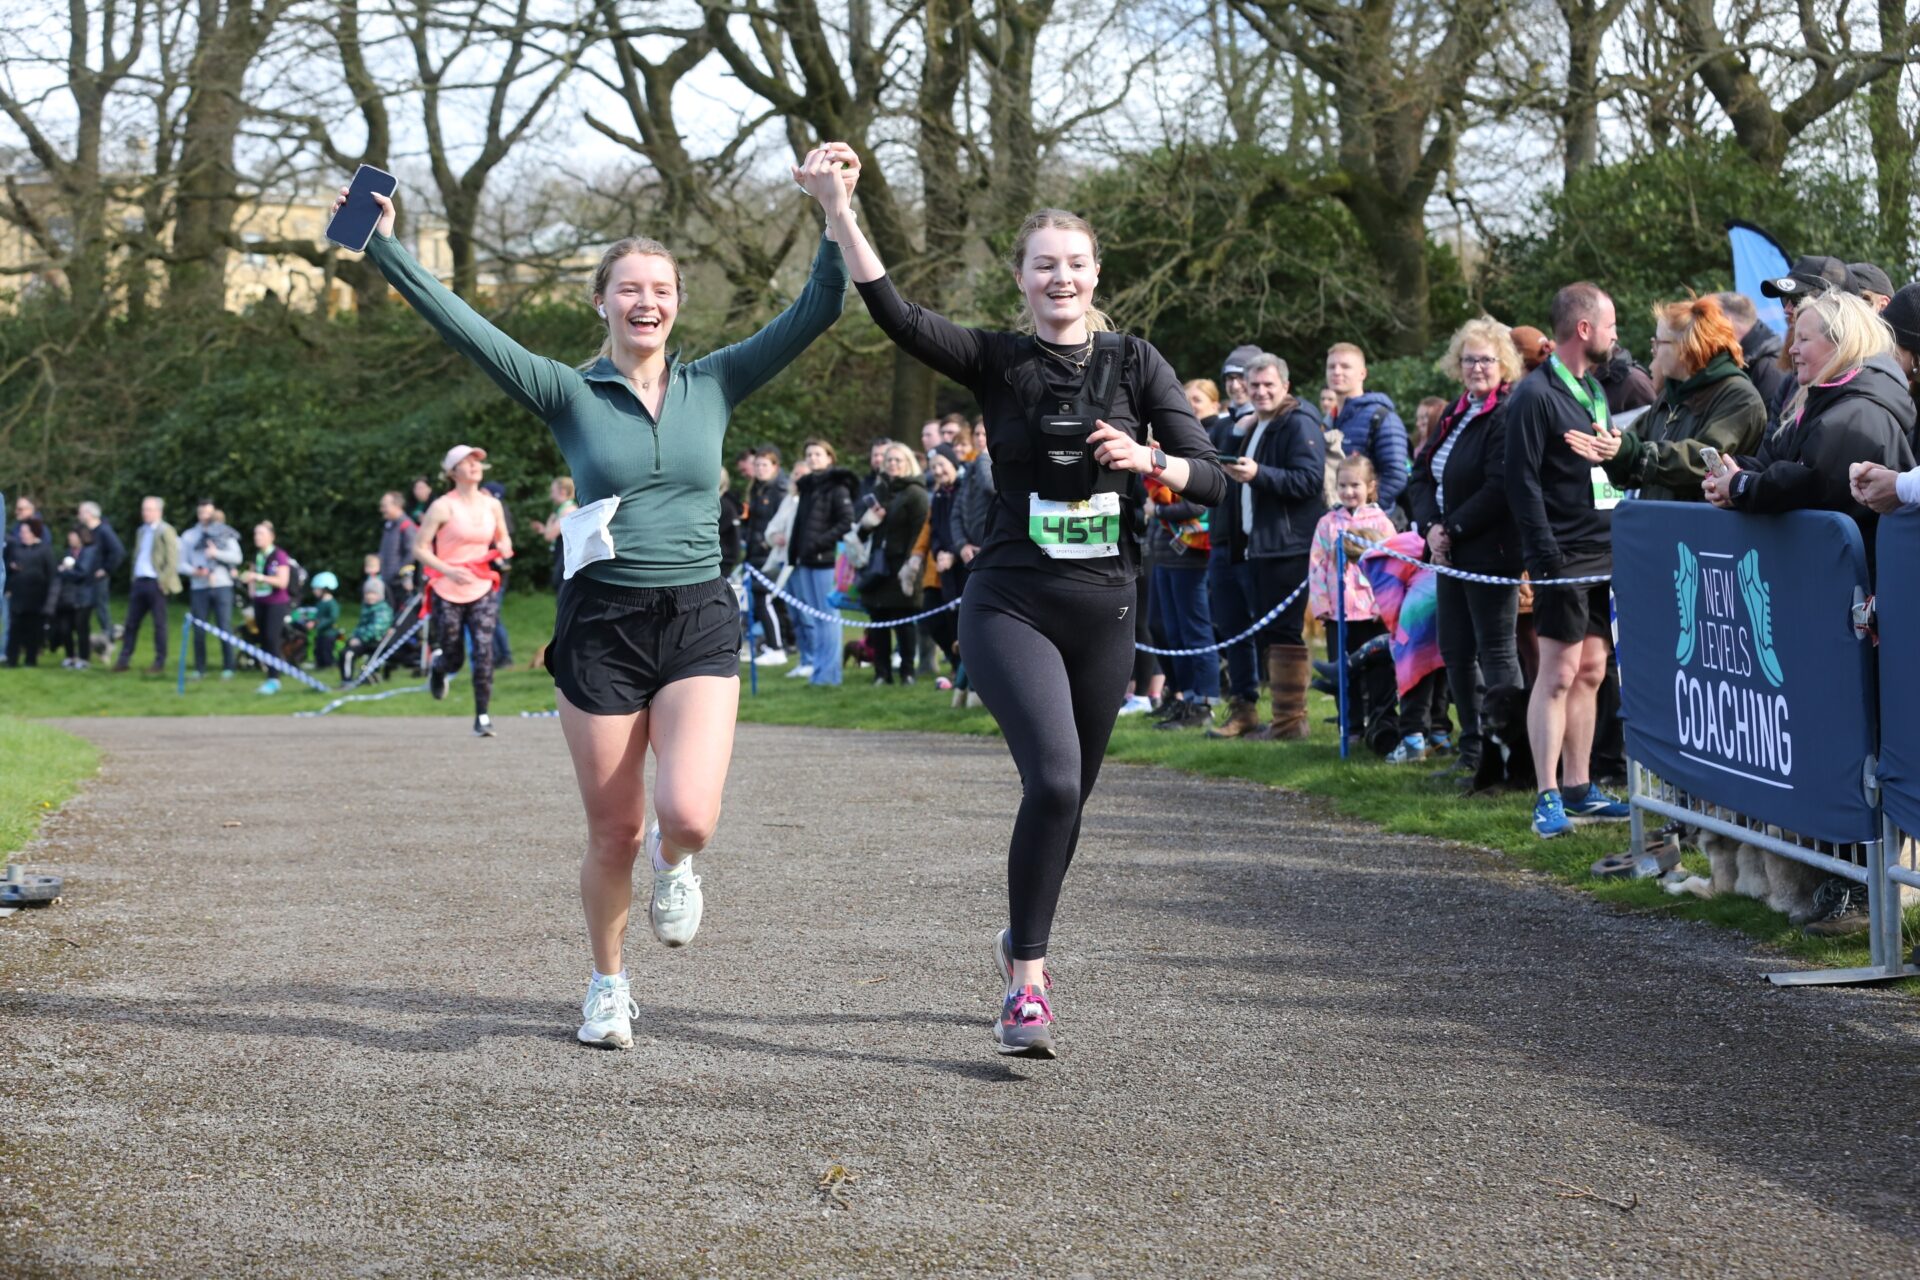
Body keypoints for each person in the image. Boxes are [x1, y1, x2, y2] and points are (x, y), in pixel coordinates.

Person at [345, 150, 850, 1050]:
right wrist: (386, 248)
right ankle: (608, 986)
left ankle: (677, 863)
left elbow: (818, 308)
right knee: (611, 829)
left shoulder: (716, 381)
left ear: (677, 303)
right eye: (627, 288)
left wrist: (833, 210)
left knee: (687, 816)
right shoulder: (568, 392)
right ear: (602, 301)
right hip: (602, 626)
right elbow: (468, 329)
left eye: (659, 287)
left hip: (696, 613)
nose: (644, 301)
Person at [826, 155, 1228, 1056]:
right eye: (1044, 264)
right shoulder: (998, 360)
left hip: (1109, 608)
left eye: (1075, 263)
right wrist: (841, 210)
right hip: (1009, 602)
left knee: (1070, 799)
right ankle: (1028, 989)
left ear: (1096, 275)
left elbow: (1213, 481)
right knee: (1050, 779)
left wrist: (1149, 459)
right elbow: (897, 314)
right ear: (1022, 278)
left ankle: (1020, 932)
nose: (1061, 277)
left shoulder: (1136, 362)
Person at [1505, 283, 1633, 838]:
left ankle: (1581, 788)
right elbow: (1521, 481)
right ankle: (1548, 794)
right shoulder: (1534, 395)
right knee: (1556, 673)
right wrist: (1545, 556)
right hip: (1563, 557)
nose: (1615, 335)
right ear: (1584, 329)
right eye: (1609, 325)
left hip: (1605, 554)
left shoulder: (1594, 388)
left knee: (1592, 670)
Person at [1712, 290, 1916, 563]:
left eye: (1804, 339)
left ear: (1842, 343)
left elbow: (1805, 482)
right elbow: (1779, 461)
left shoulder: (1857, 413)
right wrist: (1733, 470)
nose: (1791, 350)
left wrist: (1740, 485)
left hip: (1853, 587)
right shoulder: (1820, 402)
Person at [1407, 317, 1525, 784]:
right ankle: (1472, 749)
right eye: (1470, 359)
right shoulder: (1456, 411)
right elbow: (1420, 476)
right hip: (1447, 552)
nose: (1478, 367)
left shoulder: (1506, 412)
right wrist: (1430, 528)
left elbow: (1500, 486)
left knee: (1496, 652)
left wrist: (1450, 528)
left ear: (1504, 363)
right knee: (1455, 650)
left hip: (1490, 550)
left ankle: (1513, 756)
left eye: (1487, 359)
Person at [1205, 353, 1326, 742]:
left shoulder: (1299, 421)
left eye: (1268, 385)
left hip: (1288, 546)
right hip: (1255, 546)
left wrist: (1258, 474)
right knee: (1267, 634)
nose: (1260, 392)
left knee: (1285, 634)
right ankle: (1278, 720)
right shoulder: (1257, 423)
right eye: (1254, 385)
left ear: (1286, 386)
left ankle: (1291, 724)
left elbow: (1309, 481)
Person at [1567, 295, 1768, 502]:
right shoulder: (1671, 394)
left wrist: (1630, 452)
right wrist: (1610, 453)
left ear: (1685, 347)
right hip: (1662, 525)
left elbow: (1703, 460)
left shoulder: (1739, 397)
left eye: (1659, 342)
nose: (1653, 350)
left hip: (1704, 529)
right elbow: (1632, 452)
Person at [414, 446, 513, 737]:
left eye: (477, 462)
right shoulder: (442, 506)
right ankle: (439, 667)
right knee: (455, 656)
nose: (474, 466)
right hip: (447, 588)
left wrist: (504, 546)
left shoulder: (491, 505)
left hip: (482, 586)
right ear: (452, 472)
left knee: (483, 650)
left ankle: (482, 716)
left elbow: (502, 536)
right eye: (466, 463)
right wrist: (447, 570)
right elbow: (419, 548)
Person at [1146, 380, 1224, 731]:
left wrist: (1158, 510)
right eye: (1185, 399)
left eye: (1197, 400)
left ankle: (1203, 701)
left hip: (1193, 549)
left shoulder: (1205, 445)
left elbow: (1200, 499)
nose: (1190, 405)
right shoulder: (1173, 442)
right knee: (1166, 628)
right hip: (1164, 550)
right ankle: (1181, 696)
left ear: (1212, 403)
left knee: (1195, 629)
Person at [1308, 455, 1397, 742]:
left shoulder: (1382, 523)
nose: (1348, 491)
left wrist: (1384, 606)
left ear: (1370, 486)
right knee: (1345, 675)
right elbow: (1317, 565)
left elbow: (1393, 568)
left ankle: (1382, 723)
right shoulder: (1328, 523)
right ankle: (1352, 727)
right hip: (1339, 614)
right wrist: (1321, 605)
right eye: (1342, 485)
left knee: (1380, 673)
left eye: (1354, 485)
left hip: (1373, 614)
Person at [854, 441, 929, 684]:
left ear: (908, 463)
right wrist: (868, 523)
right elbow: (861, 532)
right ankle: (881, 672)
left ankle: (907, 671)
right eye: (889, 460)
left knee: (903, 621)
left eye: (898, 460)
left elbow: (920, 532)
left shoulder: (916, 493)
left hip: (902, 566)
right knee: (878, 622)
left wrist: (911, 566)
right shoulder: (878, 491)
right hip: (877, 567)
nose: (893, 464)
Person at [786, 439, 857, 685]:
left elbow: (847, 521)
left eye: (818, 454)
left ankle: (829, 676)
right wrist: (795, 552)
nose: (813, 458)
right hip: (805, 561)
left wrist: (818, 543)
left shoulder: (837, 487)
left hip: (825, 561)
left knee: (828, 619)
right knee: (816, 620)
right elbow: (800, 524)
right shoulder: (807, 487)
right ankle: (819, 672)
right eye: (809, 454)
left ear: (829, 458)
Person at [1324, 342, 1410, 510]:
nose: (1337, 371)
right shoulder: (1326, 421)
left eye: (1345, 366)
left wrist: (1368, 513)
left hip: (1369, 529)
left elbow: (1396, 475)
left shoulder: (1382, 418)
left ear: (1362, 373)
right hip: (1333, 524)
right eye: (1331, 366)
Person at [111, 496, 181, 675]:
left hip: (155, 583)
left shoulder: (166, 531)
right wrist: (134, 578)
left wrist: (162, 581)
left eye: (149, 509)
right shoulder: (141, 531)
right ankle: (123, 660)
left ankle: (159, 661)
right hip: (140, 581)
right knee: (131, 623)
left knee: (159, 624)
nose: (145, 513)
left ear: (159, 511)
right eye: (144, 509)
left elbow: (172, 560)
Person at [179, 498, 243, 680]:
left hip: (222, 585)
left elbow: (237, 557)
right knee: (199, 629)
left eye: (208, 513)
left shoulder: (224, 532)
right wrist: (195, 571)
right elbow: (181, 564)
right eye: (201, 513)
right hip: (199, 587)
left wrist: (217, 554)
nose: (204, 516)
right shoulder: (189, 536)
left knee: (224, 626)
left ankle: (229, 667)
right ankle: (200, 668)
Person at [921, 444, 967, 677]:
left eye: (942, 464)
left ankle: (967, 675)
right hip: (945, 566)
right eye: (933, 467)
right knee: (941, 620)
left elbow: (966, 525)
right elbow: (936, 529)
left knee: (964, 622)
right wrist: (939, 552)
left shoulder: (965, 488)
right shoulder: (939, 495)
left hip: (964, 564)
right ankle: (957, 667)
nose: (938, 471)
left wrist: (953, 553)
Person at [743, 446, 791, 661]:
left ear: (775, 467)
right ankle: (783, 643)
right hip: (754, 553)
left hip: (770, 553)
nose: (760, 469)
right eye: (757, 465)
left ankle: (777, 647)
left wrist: (766, 542)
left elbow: (782, 523)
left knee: (766, 600)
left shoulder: (780, 490)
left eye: (765, 465)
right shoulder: (757, 489)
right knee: (769, 601)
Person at [1714, 291, 1793, 415]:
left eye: (1707, 322)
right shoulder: (1738, 360)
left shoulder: (1769, 367)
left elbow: (1772, 426)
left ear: (1726, 321)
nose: (1702, 330)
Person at [238, 521, 293, 695]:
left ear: (271, 536)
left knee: (272, 638)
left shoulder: (279, 555)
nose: (257, 537)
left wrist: (259, 577)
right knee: (263, 638)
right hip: (260, 602)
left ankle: (274, 678)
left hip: (276, 603)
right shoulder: (257, 556)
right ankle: (271, 674)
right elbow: (252, 579)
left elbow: (282, 582)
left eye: (261, 534)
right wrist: (251, 587)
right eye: (255, 534)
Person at [3, 515, 53, 667]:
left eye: (25, 531)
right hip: (18, 595)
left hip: (36, 597)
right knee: (14, 629)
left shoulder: (44, 550)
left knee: (33, 629)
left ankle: (31, 660)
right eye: (21, 531)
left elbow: (51, 575)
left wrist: (50, 598)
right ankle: (12, 660)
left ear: (34, 532)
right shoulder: (17, 548)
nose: (22, 534)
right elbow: (8, 569)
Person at [76, 500, 124, 643]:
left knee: (101, 609)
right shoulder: (89, 532)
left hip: (99, 579)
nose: (78, 515)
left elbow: (118, 551)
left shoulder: (104, 530)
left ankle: (109, 638)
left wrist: (106, 569)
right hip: (88, 578)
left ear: (89, 514)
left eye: (80, 512)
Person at [54, 526, 99, 668]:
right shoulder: (68, 552)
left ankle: (84, 658)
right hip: (68, 596)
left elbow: (82, 573)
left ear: (81, 537)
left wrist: (64, 572)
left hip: (84, 597)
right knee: (65, 628)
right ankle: (70, 656)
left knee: (81, 628)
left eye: (72, 537)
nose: (70, 539)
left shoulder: (89, 552)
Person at [340, 578, 395, 682]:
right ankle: (346, 679)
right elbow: (360, 626)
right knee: (345, 653)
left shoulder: (383, 610)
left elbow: (376, 629)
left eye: (373, 593)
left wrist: (359, 639)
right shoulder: (366, 608)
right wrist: (354, 637)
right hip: (362, 640)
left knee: (348, 654)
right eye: (368, 593)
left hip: (375, 642)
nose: (370, 596)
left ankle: (351, 680)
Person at [528, 477, 577, 590]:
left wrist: (550, 520)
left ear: (563, 491)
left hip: (564, 557)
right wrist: (544, 529)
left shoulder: (567, 511)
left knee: (560, 585)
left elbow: (549, 536)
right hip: (561, 555)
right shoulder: (565, 509)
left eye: (553, 492)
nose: (551, 496)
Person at [292, 571, 342, 669]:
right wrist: (310, 620)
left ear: (325, 589)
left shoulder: (332, 603)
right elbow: (316, 615)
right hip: (320, 633)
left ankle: (328, 665)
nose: (314, 591)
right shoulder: (320, 603)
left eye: (317, 589)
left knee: (326, 650)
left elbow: (332, 618)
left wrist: (317, 623)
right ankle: (319, 664)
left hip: (329, 634)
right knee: (318, 649)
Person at [376, 492, 418, 605]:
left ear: (397, 506)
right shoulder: (389, 524)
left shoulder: (406, 526)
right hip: (386, 580)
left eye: (385, 506)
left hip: (398, 584)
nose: (382, 509)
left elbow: (411, 553)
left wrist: (398, 573)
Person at [1222, 344, 1262, 423]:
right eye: (1230, 378)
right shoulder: (1221, 426)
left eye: (1242, 377)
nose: (1235, 386)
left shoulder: (1272, 424)